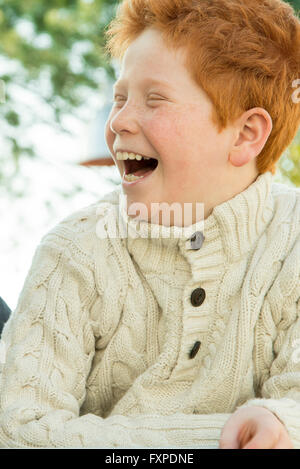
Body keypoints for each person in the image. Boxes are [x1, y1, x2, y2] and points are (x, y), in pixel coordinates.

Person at [0, 0, 300, 449]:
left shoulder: (292, 240)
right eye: (119, 98)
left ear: (245, 134)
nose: (118, 120)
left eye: (154, 99)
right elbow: (21, 430)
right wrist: (229, 438)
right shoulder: (74, 249)